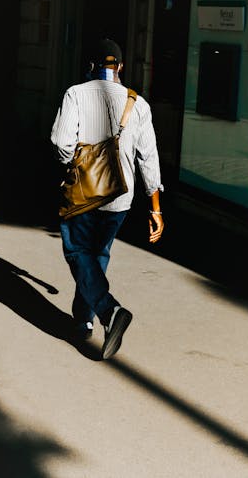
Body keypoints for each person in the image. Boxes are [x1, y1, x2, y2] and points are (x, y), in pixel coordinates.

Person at [50, 37, 164, 359]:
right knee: (98, 254)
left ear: (90, 66)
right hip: (120, 198)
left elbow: (61, 144)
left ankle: (108, 310)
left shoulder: (75, 93)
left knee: (76, 251)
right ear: (121, 67)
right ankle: (83, 319)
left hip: (84, 194)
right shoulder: (138, 104)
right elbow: (149, 158)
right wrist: (155, 208)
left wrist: (76, 163)